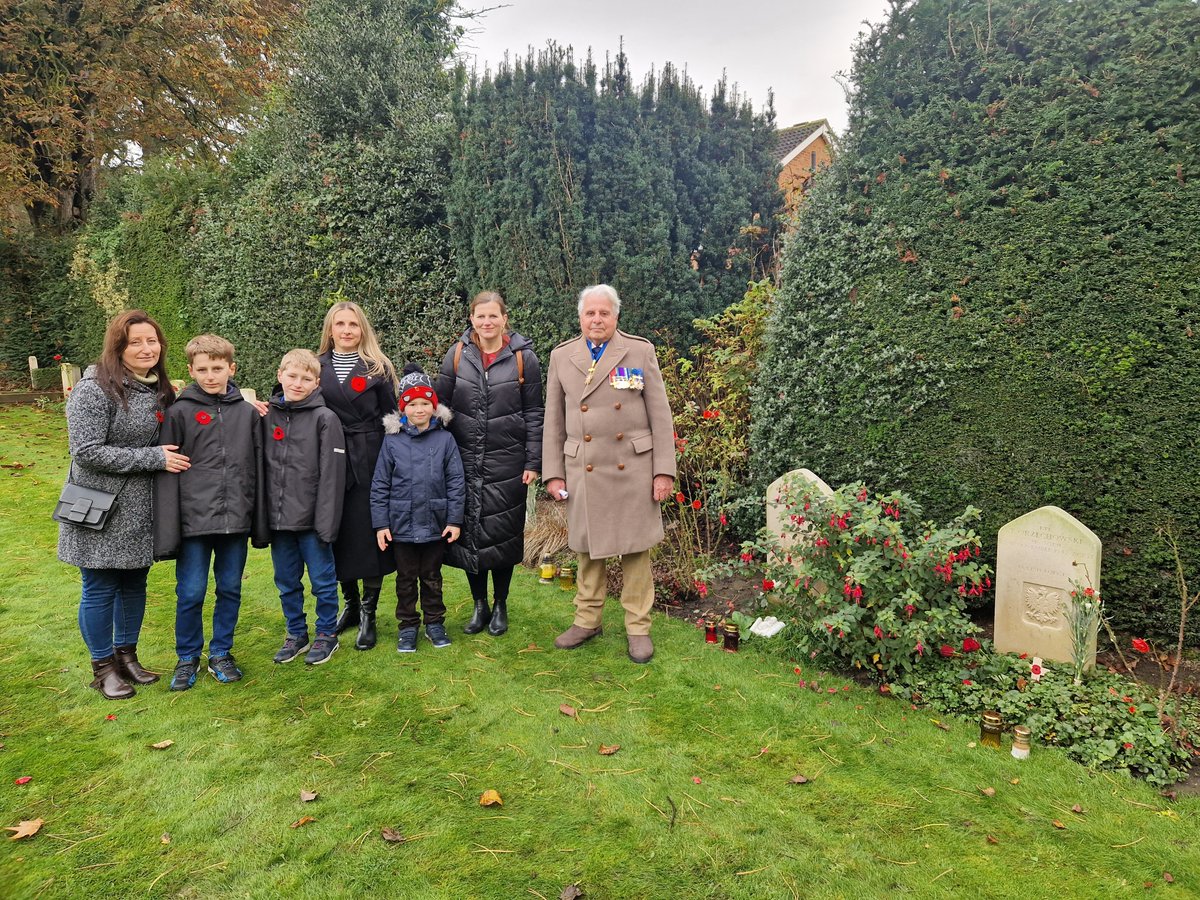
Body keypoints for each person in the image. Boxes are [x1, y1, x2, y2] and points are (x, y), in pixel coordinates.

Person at [58, 310, 191, 700]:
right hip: (97, 507)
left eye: (152, 341)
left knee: (134, 584)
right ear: (118, 346)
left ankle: (126, 656)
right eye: (136, 342)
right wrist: (153, 458)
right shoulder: (94, 388)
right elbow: (85, 452)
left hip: (140, 509)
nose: (147, 348)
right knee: (99, 587)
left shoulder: (160, 389)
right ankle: (103, 668)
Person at [542, 284, 677, 664]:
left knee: (635, 552)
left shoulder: (639, 350)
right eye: (590, 313)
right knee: (587, 550)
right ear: (580, 317)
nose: (597, 319)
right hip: (584, 466)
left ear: (616, 316)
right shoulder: (562, 356)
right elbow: (553, 420)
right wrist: (553, 473)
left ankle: (638, 628)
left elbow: (660, 415)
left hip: (632, 466)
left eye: (604, 313)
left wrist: (663, 470)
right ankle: (587, 620)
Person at [153, 334, 268, 690]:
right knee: (191, 591)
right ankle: (187, 657)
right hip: (193, 521)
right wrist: (170, 524)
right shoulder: (178, 413)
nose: (210, 375)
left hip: (236, 520)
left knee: (230, 588)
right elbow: (168, 470)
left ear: (231, 368)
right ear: (190, 371)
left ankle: (221, 652)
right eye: (202, 369)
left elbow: (259, 466)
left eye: (217, 368)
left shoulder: (248, 413)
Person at [437, 291, 544, 637]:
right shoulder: (457, 356)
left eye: (493, 316)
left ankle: (500, 604)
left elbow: (534, 412)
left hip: (507, 460)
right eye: (480, 316)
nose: (486, 322)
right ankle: (479, 604)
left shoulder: (524, 358)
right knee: (468, 533)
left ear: (504, 318)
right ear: (472, 319)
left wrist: (533, 459)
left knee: (502, 534)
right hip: (463, 460)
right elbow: (440, 406)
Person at [316, 301, 398, 651]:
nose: (347, 330)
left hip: (370, 456)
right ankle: (349, 604)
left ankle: (369, 612)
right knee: (337, 534)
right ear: (330, 329)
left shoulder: (378, 368)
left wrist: (396, 460)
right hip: (330, 459)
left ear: (362, 329)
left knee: (369, 535)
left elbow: (392, 416)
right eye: (340, 324)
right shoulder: (315, 366)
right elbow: (291, 402)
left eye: (353, 324)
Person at [371, 366, 465, 654]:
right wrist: (381, 524)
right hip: (401, 526)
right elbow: (380, 485)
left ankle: (435, 622)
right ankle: (408, 625)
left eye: (425, 403)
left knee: (433, 577)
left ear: (433, 406)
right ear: (403, 408)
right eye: (413, 404)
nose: (419, 409)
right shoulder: (392, 441)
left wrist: (454, 519)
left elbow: (456, 482)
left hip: (436, 524)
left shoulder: (445, 440)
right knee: (406, 579)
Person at [263, 350, 347, 666]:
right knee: (286, 582)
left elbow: (332, 476)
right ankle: (296, 633)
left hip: (313, 520)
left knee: (323, 581)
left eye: (306, 378)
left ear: (316, 383)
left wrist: (326, 522)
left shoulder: (325, 419)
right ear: (280, 374)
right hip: (279, 519)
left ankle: (326, 633)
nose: (298, 383)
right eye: (293, 376)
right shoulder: (265, 416)